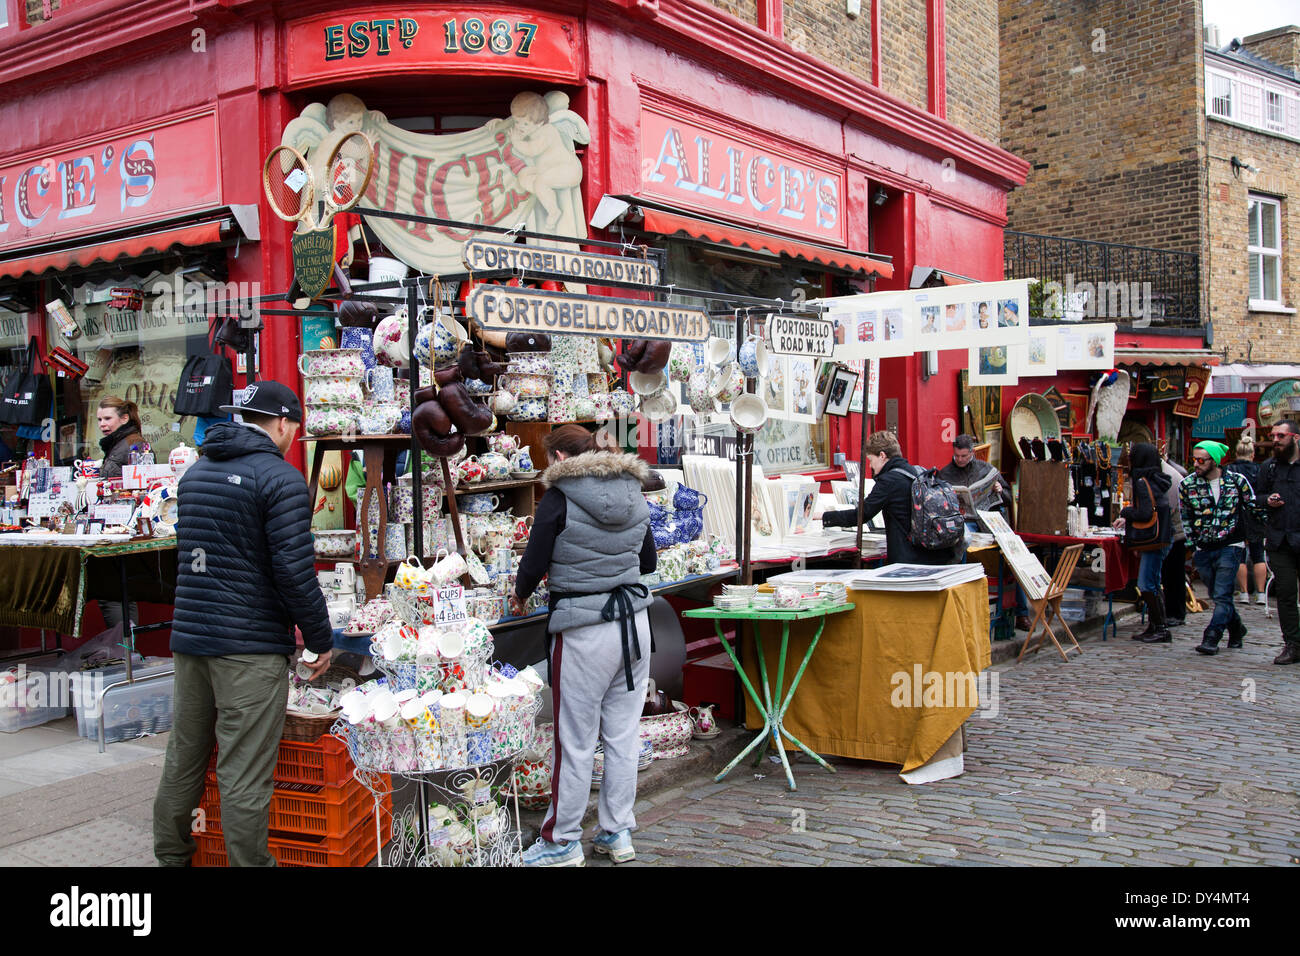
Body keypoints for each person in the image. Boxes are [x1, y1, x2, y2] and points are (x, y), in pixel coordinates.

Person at [153, 381, 333, 866]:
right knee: (244, 772)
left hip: (191, 638)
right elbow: (295, 573)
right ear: (282, 424)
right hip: (248, 647)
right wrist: (321, 640)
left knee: (184, 757)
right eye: (294, 426)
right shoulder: (280, 479)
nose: (294, 434)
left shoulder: (196, 473)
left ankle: (171, 858)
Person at [510, 425, 657, 866]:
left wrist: (520, 593)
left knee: (574, 739)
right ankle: (617, 832)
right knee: (623, 735)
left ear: (557, 458)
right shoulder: (634, 490)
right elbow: (647, 560)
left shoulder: (559, 497)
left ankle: (562, 841)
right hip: (634, 625)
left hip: (583, 628)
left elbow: (533, 564)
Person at [822, 430, 961, 565]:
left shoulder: (889, 480)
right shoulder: (916, 471)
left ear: (882, 455)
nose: (870, 465)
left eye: (871, 459)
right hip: (934, 553)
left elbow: (861, 515)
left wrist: (824, 517)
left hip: (909, 559)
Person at [936, 434, 1026, 629]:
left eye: (964, 456)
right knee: (959, 543)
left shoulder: (987, 470)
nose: (960, 460)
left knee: (1013, 554)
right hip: (965, 521)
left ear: (972, 453)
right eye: (957, 456)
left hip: (988, 520)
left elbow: (1011, 499)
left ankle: (1022, 612)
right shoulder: (945, 473)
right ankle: (956, 603)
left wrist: (999, 490)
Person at [1180, 440, 1254, 656]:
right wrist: (1193, 546)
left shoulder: (1237, 481)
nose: (1196, 464)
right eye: (1194, 459)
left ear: (1215, 461)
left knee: (1222, 594)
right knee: (1216, 593)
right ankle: (1237, 629)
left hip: (1231, 545)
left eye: (1201, 460)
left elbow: (1252, 507)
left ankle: (1212, 636)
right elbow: (1186, 517)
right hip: (1203, 548)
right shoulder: (1187, 485)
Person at [1113, 443, 1173, 643]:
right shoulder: (1156, 478)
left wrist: (1125, 512)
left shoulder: (1142, 481)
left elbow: (1146, 512)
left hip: (1154, 540)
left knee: (1147, 584)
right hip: (1163, 536)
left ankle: (1161, 627)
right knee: (1153, 583)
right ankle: (1155, 625)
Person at [1255, 419, 1300, 665]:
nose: (1275, 441)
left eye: (1280, 436)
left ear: (1295, 438)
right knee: (1285, 592)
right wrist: (1267, 500)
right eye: (1273, 436)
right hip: (1280, 539)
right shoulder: (1269, 467)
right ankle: (1292, 644)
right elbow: (1258, 497)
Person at [1225, 437, 1267, 605]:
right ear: (1252, 453)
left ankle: (1243, 593)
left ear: (1236, 452)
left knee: (1240, 555)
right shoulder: (1259, 469)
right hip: (1255, 514)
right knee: (1258, 555)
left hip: (1237, 515)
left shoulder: (1230, 469)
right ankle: (1261, 593)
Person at [1161, 455, 1189, 628]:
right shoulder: (1168, 473)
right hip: (1175, 532)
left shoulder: (1169, 476)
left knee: (1173, 574)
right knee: (1173, 574)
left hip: (1175, 533)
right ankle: (1174, 611)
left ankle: (1176, 612)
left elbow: (1168, 509)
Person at [95, 395, 143, 479]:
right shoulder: (115, 444)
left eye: (107, 418)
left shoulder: (135, 444)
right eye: (99, 419)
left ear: (124, 418)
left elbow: (142, 481)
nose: (102, 424)